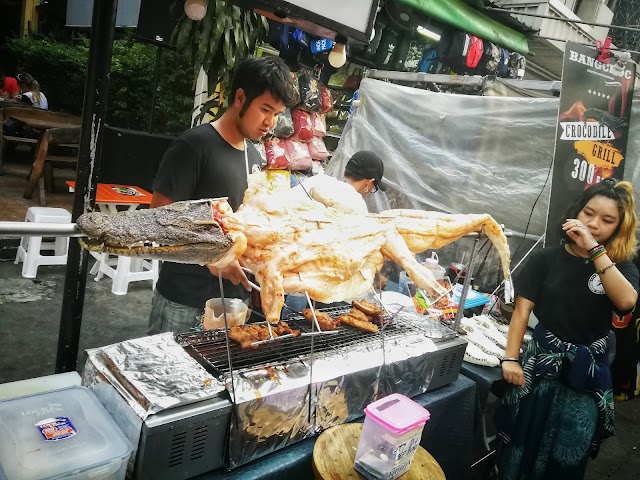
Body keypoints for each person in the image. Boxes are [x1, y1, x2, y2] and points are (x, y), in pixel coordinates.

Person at [496, 178, 639, 480]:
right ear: (577, 211)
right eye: (588, 213)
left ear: (618, 227)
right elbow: (522, 310)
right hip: (541, 364)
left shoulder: (618, 265)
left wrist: (594, 249)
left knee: (569, 450)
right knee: (522, 439)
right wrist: (511, 358)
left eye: (607, 220)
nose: (594, 223)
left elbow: (626, 302)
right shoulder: (546, 258)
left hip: (586, 375)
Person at [148, 56, 297, 335]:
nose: (270, 122)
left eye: (277, 113)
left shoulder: (252, 154)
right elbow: (157, 222)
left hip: (234, 302)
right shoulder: (195, 146)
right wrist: (214, 260)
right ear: (240, 98)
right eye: (265, 109)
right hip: (185, 301)